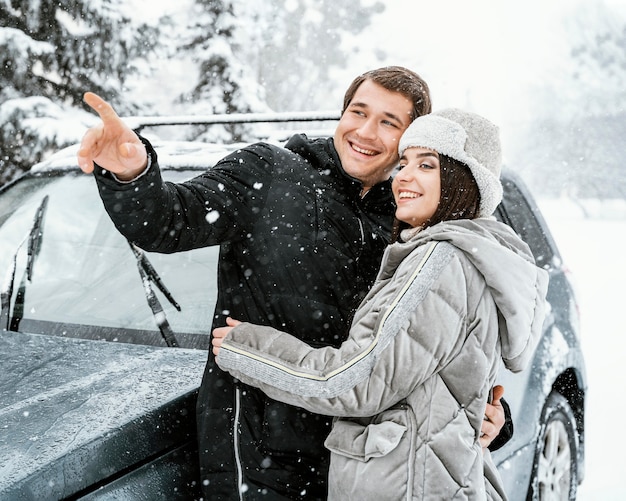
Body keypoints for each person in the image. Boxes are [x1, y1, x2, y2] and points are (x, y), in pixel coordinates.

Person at [77, 67, 509, 500]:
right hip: (259, 456)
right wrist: (132, 174)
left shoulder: (412, 221)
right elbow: (170, 220)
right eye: (358, 112)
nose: (366, 131)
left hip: (361, 463)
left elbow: (434, 342)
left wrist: (488, 413)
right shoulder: (268, 172)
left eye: (388, 122)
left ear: (410, 141)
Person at [211, 108, 549, 500]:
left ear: (464, 181)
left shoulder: (439, 261)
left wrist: (246, 347)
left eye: (427, 165)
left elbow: (353, 382)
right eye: (403, 163)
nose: (403, 176)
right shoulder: (478, 257)